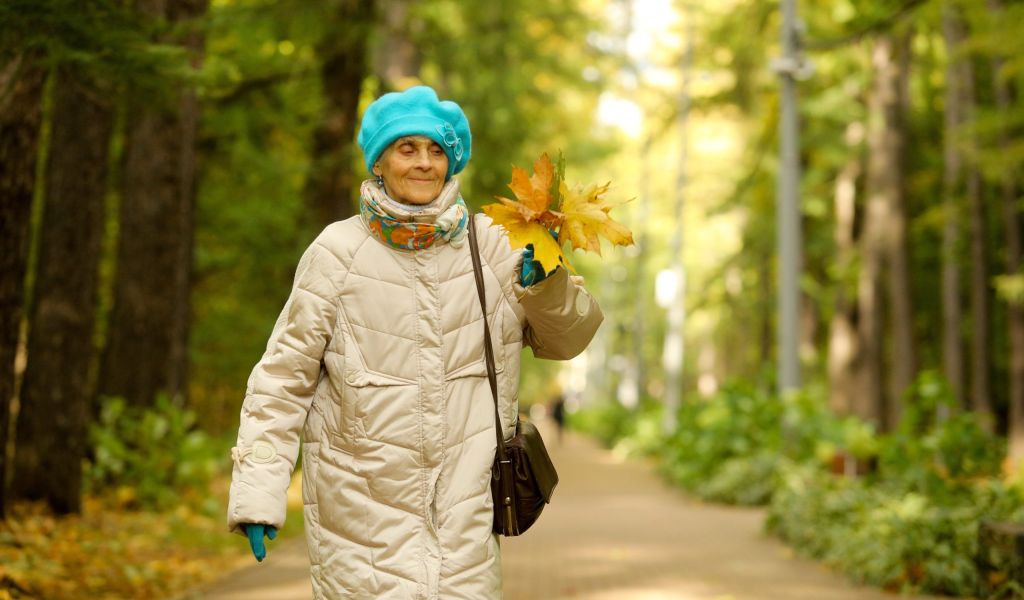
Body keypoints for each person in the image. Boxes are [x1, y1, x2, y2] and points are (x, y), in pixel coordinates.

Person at [226, 85, 603, 599]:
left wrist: (547, 283)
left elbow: (569, 339)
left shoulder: (497, 244)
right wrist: (257, 492)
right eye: (407, 148)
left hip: (464, 524)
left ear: (452, 163)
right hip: (357, 527)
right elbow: (281, 380)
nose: (424, 163)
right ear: (379, 162)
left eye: (437, 151)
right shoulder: (335, 254)